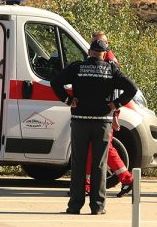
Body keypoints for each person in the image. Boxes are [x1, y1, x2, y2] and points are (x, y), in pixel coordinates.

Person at [51, 39, 137, 215]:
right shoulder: (111, 69)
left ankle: (74, 206)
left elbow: (55, 82)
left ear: (89, 52)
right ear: (104, 54)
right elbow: (132, 88)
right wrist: (117, 103)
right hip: (102, 123)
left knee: (78, 163)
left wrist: (68, 100)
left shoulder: (77, 67)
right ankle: (97, 206)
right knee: (99, 164)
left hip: (80, 121)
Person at [84, 32, 133, 198]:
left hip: (105, 114)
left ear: (106, 44)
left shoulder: (110, 61)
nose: (95, 46)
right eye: (93, 43)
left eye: (98, 43)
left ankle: (126, 179)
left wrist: (115, 113)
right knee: (103, 147)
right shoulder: (105, 59)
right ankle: (125, 179)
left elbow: (116, 89)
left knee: (103, 148)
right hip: (101, 114)